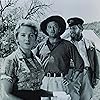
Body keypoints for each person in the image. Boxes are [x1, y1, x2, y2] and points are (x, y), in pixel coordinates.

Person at [33, 15, 84, 100]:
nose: (52, 29)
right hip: (44, 81)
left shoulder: (68, 45)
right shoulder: (41, 46)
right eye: (49, 27)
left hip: (60, 81)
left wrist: (71, 79)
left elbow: (80, 64)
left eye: (55, 27)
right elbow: (30, 59)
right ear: (46, 30)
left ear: (59, 29)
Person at [0, 19, 53, 100]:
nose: (27, 39)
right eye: (23, 35)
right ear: (17, 38)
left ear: (35, 39)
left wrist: (54, 94)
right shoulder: (11, 60)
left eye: (31, 35)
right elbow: (5, 95)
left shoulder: (37, 61)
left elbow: (35, 91)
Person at [62, 17, 99, 100]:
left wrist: (96, 76)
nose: (71, 31)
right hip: (73, 73)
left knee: (87, 97)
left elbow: (95, 61)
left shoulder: (89, 43)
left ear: (81, 28)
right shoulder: (66, 44)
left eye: (74, 28)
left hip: (87, 73)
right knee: (73, 97)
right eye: (70, 28)